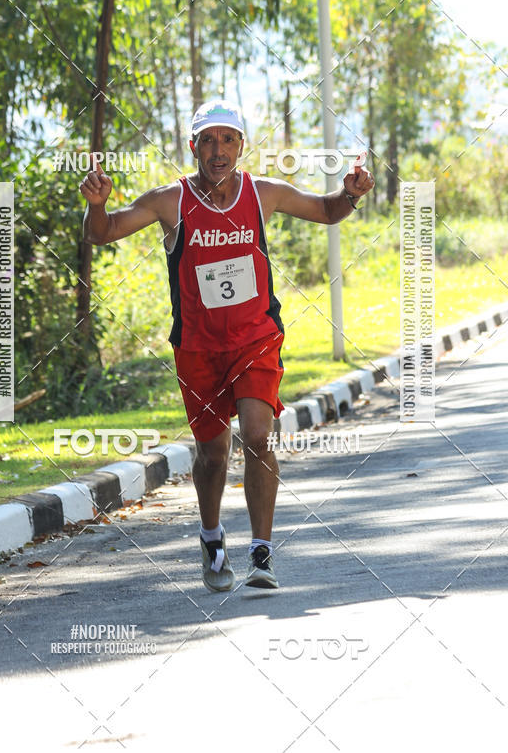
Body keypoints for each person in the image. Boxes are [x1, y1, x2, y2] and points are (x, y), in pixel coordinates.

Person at [79, 99, 374, 592]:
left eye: (228, 140)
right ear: (193, 146)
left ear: (241, 145)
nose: (219, 150)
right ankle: (212, 537)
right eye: (208, 140)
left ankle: (262, 550)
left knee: (258, 437)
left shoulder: (263, 193)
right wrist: (96, 204)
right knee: (213, 454)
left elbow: (326, 211)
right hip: (198, 348)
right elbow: (103, 233)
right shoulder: (169, 201)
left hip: (256, 338)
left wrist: (350, 194)